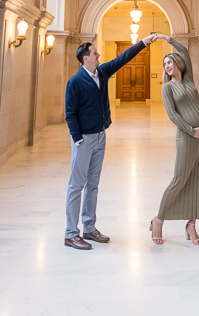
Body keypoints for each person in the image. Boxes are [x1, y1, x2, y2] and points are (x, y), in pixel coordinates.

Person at [64, 33, 158, 250]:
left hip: (100, 136)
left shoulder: (102, 72)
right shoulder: (75, 82)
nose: (98, 55)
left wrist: (144, 42)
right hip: (83, 140)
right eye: (94, 53)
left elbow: (123, 58)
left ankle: (89, 228)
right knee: (76, 185)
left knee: (93, 185)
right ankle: (71, 233)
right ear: (85, 58)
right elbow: (70, 112)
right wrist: (77, 139)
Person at [150, 34, 199, 246]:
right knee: (180, 179)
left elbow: (185, 52)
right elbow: (173, 115)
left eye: (169, 62)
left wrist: (168, 39)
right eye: (164, 63)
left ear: (178, 64)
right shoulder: (167, 88)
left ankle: (191, 226)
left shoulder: (188, 79)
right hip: (187, 136)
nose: (166, 66)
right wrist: (191, 131)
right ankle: (158, 220)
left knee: (198, 180)